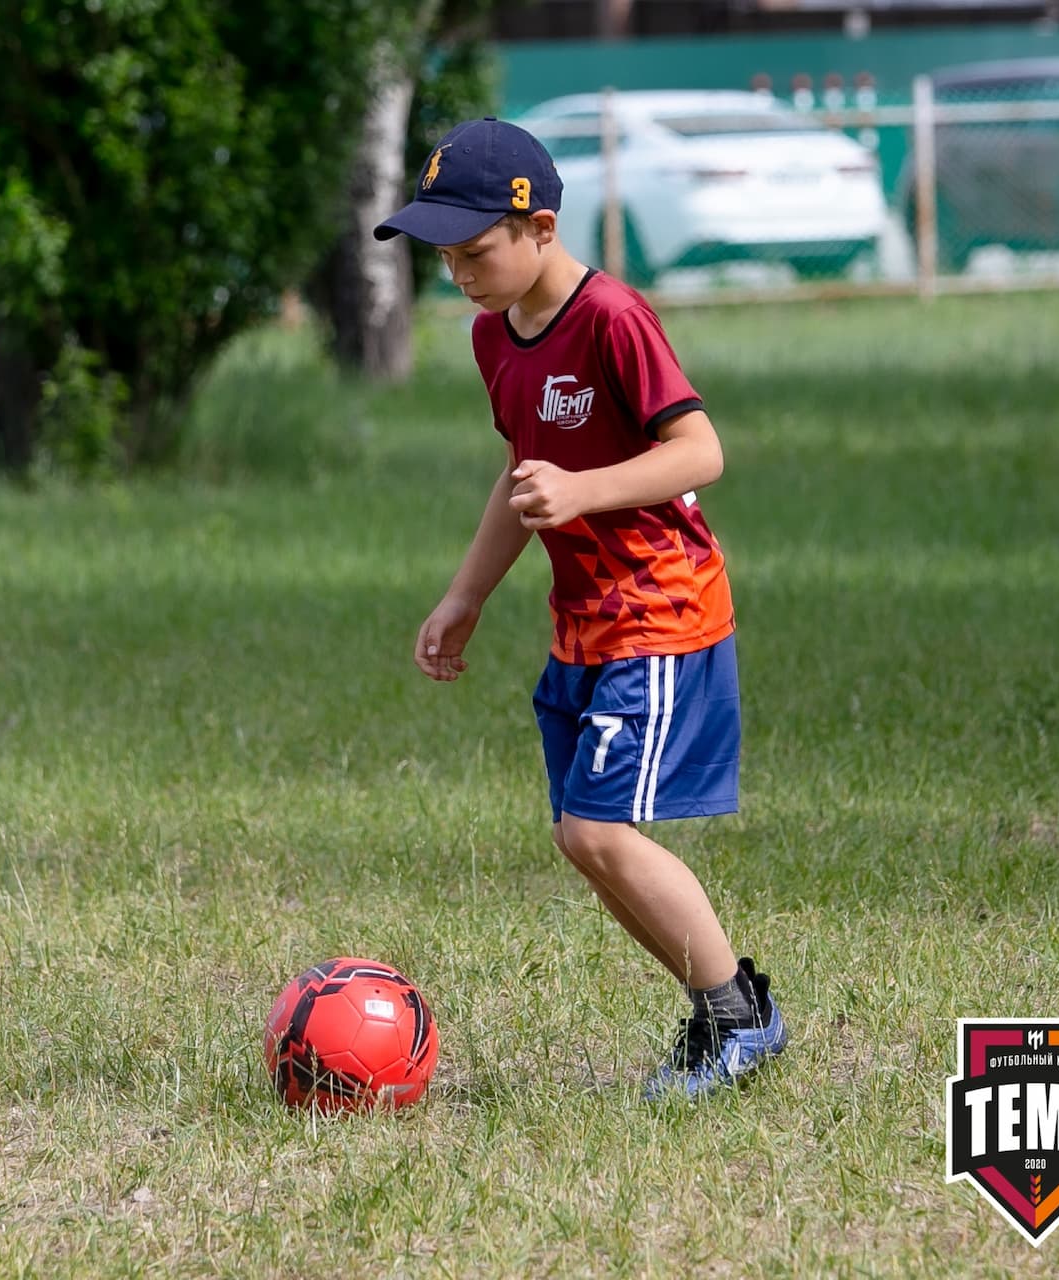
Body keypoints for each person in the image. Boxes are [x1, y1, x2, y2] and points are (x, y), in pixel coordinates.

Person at [374, 118, 787, 1101]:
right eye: (445, 258)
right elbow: (524, 472)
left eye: (476, 253)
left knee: (598, 833)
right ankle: (721, 1010)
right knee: (579, 836)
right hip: (584, 618)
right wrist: (467, 592)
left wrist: (583, 491)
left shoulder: (612, 317)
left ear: (541, 226)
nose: (462, 275)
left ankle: (741, 1016)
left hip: (660, 607)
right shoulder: (493, 337)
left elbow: (699, 452)